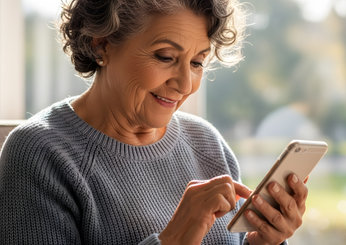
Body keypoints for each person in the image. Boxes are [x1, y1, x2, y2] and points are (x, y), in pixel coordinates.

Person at [0, 0, 308, 244]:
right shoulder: (39, 153)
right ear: (101, 45)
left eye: (198, 62)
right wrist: (172, 240)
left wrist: (263, 242)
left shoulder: (207, 142)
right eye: (165, 56)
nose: (186, 84)